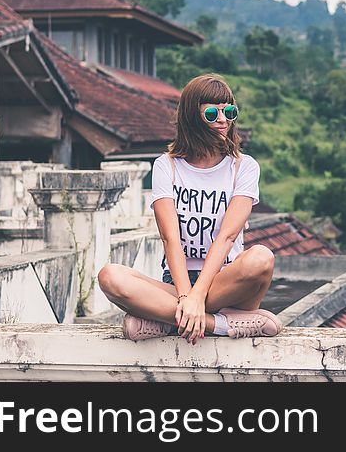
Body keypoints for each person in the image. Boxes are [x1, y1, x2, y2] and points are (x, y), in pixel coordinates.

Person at [97, 74, 281, 343]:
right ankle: (215, 324)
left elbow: (227, 237)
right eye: (211, 113)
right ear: (192, 117)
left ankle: (167, 321)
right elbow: (170, 238)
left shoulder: (243, 166)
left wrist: (197, 297)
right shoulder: (167, 166)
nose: (223, 120)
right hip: (175, 284)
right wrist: (186, 296)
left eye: (229, 111)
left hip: (226, 282)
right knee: (110, 276)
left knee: (261, 258)